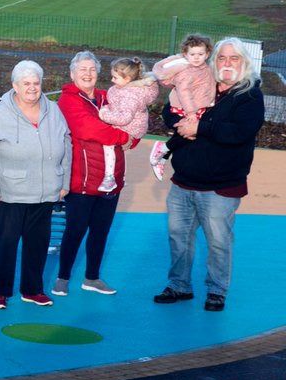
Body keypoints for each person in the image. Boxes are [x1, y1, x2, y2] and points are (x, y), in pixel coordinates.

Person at [154, 38, 264, 312]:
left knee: (218, 242)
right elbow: (169, 109)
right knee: (178, 237)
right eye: (222, 58)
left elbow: (239, 132)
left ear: (244, 62)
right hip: (184, 181)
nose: (227, 63)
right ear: (213, 60)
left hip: (221, 187)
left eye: (234, 58)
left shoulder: (249, 94)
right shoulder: (201, 81)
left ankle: (217, 290)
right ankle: (179, 285)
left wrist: (199, 127)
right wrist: (180, 122)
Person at [0, 61, 70, 309]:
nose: (32, 88)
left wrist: (64, 180)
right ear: (14, 86)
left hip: (45, 191)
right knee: (6, 243)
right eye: (26, 83)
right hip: (9, 192)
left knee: (38, 243)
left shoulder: (53, 110)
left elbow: (67, 144)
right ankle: (0, 292)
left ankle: (32, 289)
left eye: (36, 83)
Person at [53, 52, 140, 298]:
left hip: (111, 179)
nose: (88, 73)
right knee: (75, 229)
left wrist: (133, 137)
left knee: (101, 230)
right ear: (72, 74)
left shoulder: (108, 97)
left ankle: (92, 277)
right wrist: (123, 136)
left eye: (92, 69)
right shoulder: (68, 100)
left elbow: (133, 118)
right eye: (82, 69)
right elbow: (88, 129)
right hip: (82, 179)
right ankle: (63, 277)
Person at [149, 34, 216, 181]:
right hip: (186, 108)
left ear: (207, 54)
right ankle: (163, 149)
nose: (197, 57)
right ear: (186, 54)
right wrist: (191, 113)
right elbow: (184, 93)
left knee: (190, 135)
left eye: (200, 54)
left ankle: (163, 157)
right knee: (188, 133)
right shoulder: (187, 72)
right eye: (192, 54)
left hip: (198, 108)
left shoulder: (205, 68)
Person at [96, 57, 158, 193]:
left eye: (115, 77)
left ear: (128, 79)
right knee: (116, 147)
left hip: (131, 126)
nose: (112, 80)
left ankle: (109, 178)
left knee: (108, 142)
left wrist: (104, 114)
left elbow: (124, 118)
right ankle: (120, 176)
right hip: (132, 123)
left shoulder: (130, 95)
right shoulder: (124, 89)